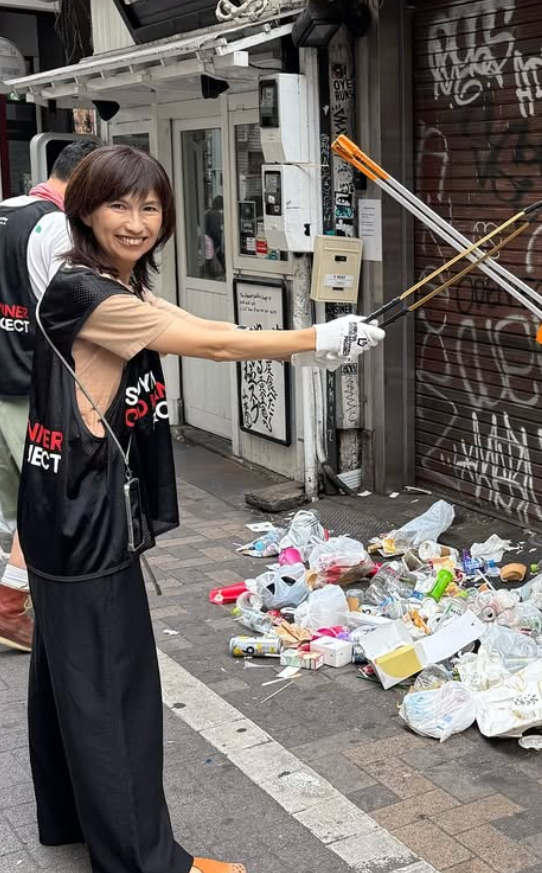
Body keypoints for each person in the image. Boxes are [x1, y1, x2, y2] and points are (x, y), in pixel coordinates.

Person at [18, 145, 385, 873]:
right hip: (86, 519)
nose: (136, 221)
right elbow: (215, 343)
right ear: (83, 207)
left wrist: (311, 351)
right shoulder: (93, 296)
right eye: (118, 205)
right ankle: (147, 864)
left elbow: (183, 320)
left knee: (67, 677)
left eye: (150, 207)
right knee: (116, 696)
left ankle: (70, 821)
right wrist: (318, 338)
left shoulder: (96, 280)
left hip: (58, 508)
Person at [0, 137, 101, 651]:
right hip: (27, 381)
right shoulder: (56, 226)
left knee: (11, 505)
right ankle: (13, 603)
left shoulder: (7, 209)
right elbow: (70, 311)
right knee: (44, 498)